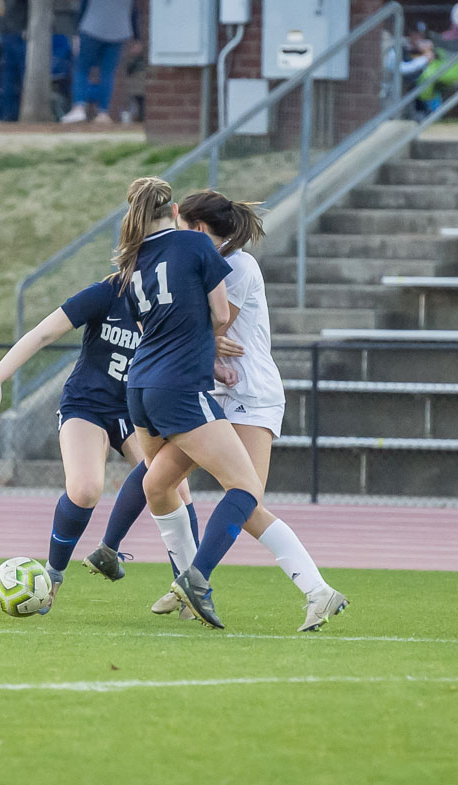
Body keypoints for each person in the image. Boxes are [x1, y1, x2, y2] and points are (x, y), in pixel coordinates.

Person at [111, 177, 345, 630]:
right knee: (157, 483)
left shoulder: (236, 266)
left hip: (249, 395)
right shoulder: (199, 262)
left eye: (182, 224)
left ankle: (315, 592)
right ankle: (187, 585)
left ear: (197, 228)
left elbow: (210, 326)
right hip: (210, 395)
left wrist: (200, 342)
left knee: (247, 500)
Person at [0, 272, 196, 615]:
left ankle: (191, 590)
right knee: (86, 489)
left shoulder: (172, 300)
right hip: (86, 406)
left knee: (177, 488)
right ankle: (53, 575)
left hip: (139, 412)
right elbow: (43, 332)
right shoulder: (107, 293)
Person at [60, 0, 138, 124]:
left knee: (81, 68)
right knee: (108, 72)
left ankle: (79, 107)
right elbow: (134, 11)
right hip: (118, 30)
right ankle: (103, 112)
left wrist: (76, 31)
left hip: (91, 27)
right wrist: (136, 36)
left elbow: (83, 5)